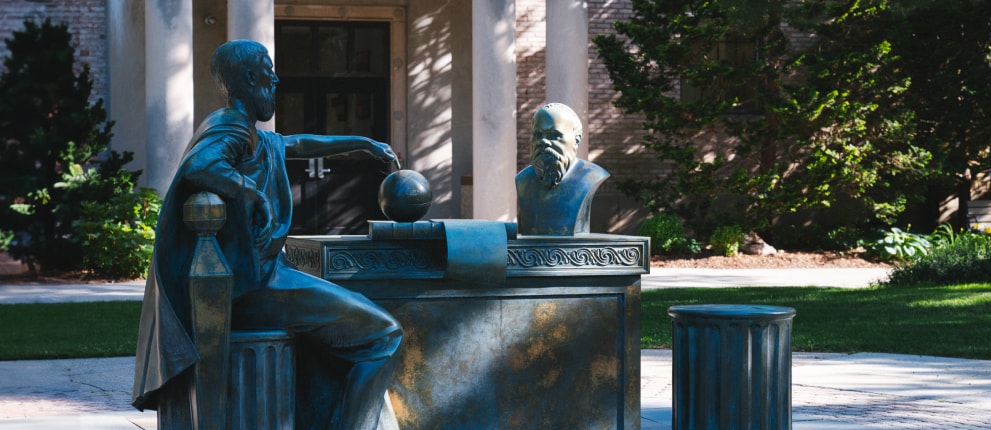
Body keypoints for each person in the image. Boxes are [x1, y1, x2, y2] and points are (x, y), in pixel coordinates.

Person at [132, 40, 402, 429]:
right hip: (250, 287)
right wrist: (251, 192)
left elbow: (296, 144)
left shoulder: (245, 131)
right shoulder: (231, 129)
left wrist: (362, 143)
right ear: (248, 78)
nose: (276, 78)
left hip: (258, 277)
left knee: (355, 315)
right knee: (384, 335)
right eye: (268, 70)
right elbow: (201, 164)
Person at [516, 103, 610, 235]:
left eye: (554, 135)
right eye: (538, 134)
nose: (544, 142)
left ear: (576, 140)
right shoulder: (523, 180)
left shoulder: (591, 176)